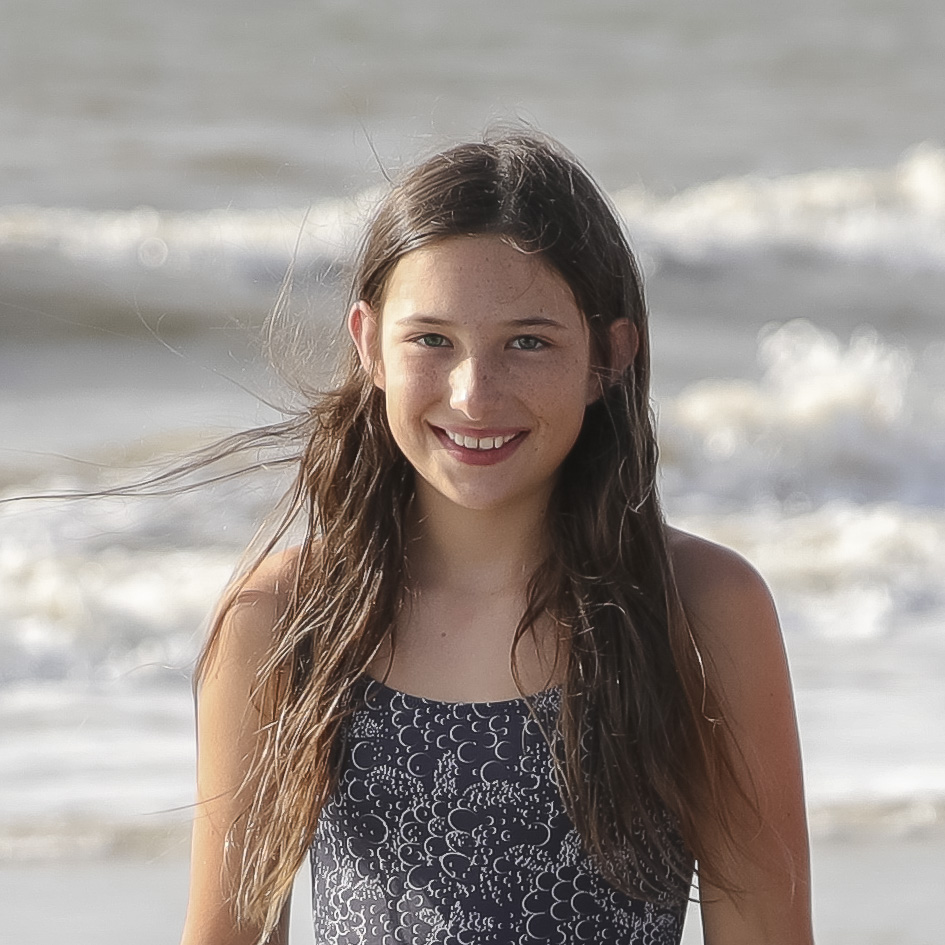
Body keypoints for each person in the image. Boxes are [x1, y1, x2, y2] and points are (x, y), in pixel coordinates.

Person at [178, 130, 813, 945]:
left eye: (527, 341)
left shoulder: (699, 609)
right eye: (431, 339)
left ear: (608, 355)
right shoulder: (283, 617)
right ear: (368, 343)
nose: (475, 393)